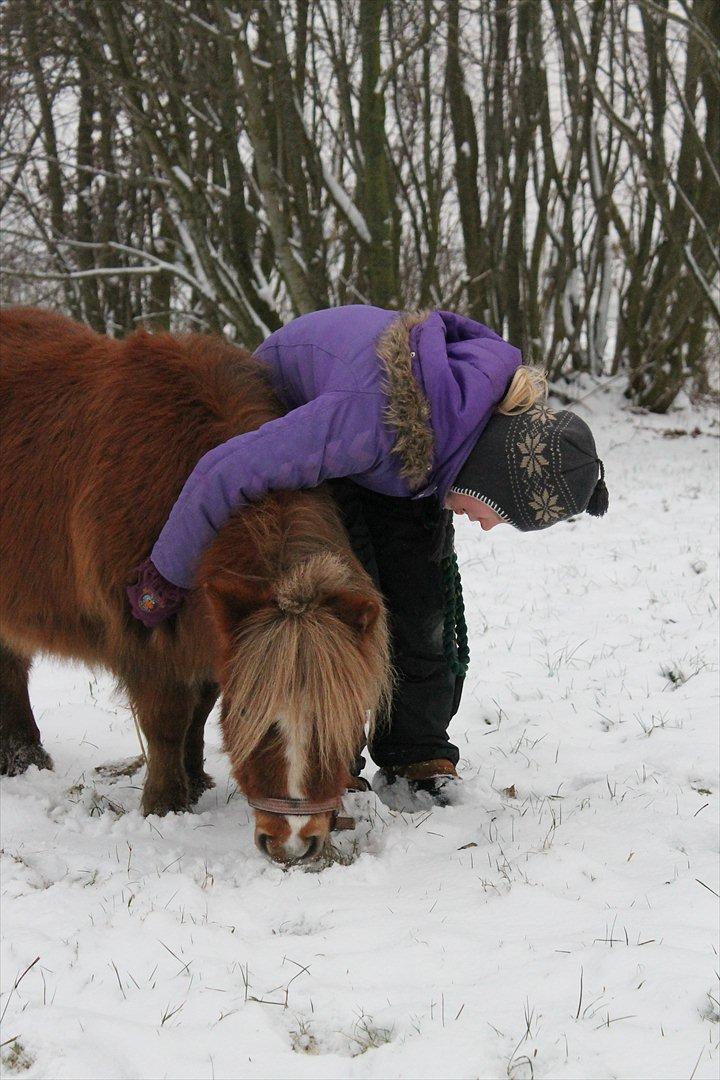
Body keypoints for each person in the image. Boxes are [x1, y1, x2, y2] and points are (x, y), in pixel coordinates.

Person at [127, 307, 608, 804]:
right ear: (485, 479)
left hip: (403, 454)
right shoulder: (363, 422)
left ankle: (415, 752)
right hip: (305, 414)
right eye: (498, 513)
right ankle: (331, 756)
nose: (487, 525)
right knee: (344, 603)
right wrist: (163, 579)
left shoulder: (467, 434)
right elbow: (224, 471)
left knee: (423, 597)